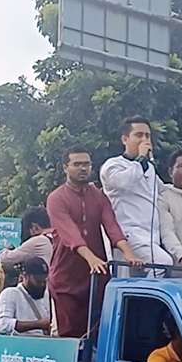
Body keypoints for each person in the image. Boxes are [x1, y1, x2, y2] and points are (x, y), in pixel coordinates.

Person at [47, 145, 143, 338]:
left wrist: (128, 252)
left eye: (86, 164)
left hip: (96, 276)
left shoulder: (99, 197)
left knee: (100, 331)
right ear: (65, 167)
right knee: (71, 335)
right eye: (77, 164)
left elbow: (112, 227)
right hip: (67, 278)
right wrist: (90, 257)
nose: (83, 169)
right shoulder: (56, 198)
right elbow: (70, 234)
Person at [100, 117, 173, 272]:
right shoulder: (113, 165)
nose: (144, 139)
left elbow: (162, 190)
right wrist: (140, 158)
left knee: (134, 277)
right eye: (139, 135)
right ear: (125, 139)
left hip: (150, 235)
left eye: (147, 136)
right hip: (128, 232)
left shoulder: (150, 169)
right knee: (162, 263)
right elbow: (124, 182)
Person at [0, 258, 51, 335]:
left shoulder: (47, 295)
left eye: (44, 281)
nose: (42, 284)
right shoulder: (10, 293)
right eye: (38, 280)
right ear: (25, 275)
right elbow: (2, 324)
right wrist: (38, 324)